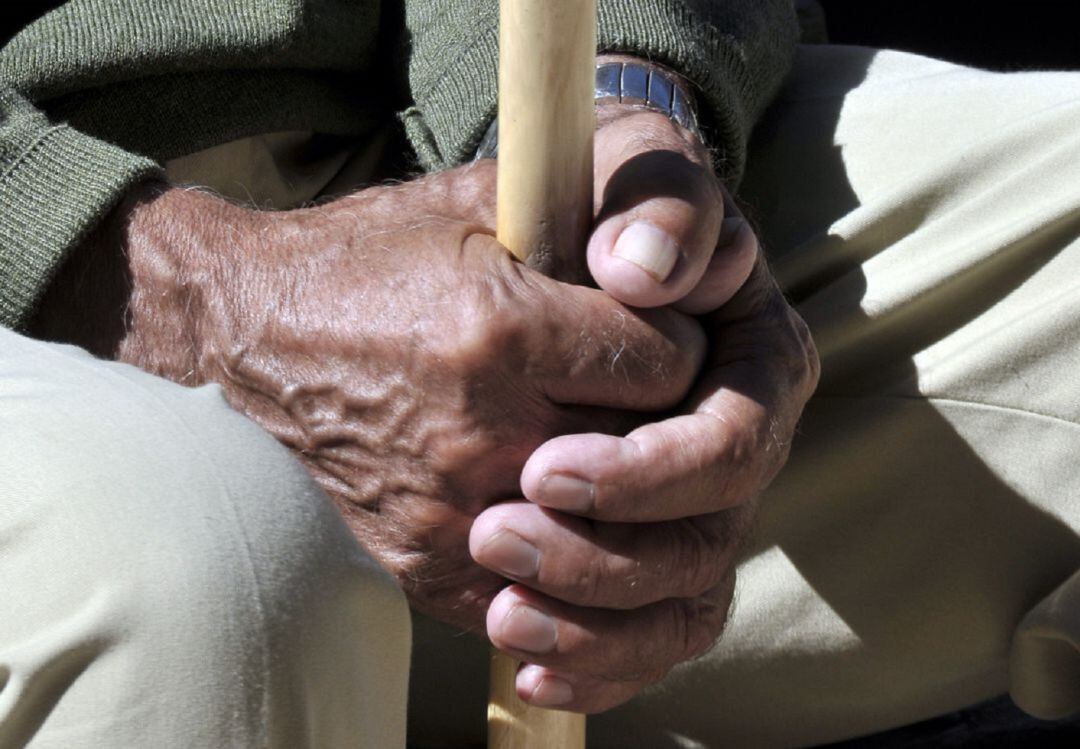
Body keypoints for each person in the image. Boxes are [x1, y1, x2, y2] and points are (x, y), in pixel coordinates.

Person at [0, 1, 1076, 747]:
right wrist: (172, 292)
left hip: (408, 143)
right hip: (45, 285)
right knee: (202, 567)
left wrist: (611, 98)